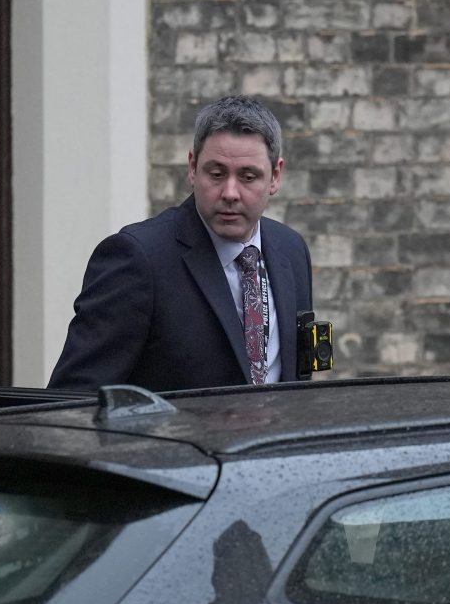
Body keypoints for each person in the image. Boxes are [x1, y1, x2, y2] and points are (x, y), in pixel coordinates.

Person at [49, 95, 312, 392]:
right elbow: (72, 398)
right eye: (216, 174)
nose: (230, 192)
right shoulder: (137, 258)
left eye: (248, 177)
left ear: (275, 176)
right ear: (192, 168)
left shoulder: (291, 250)